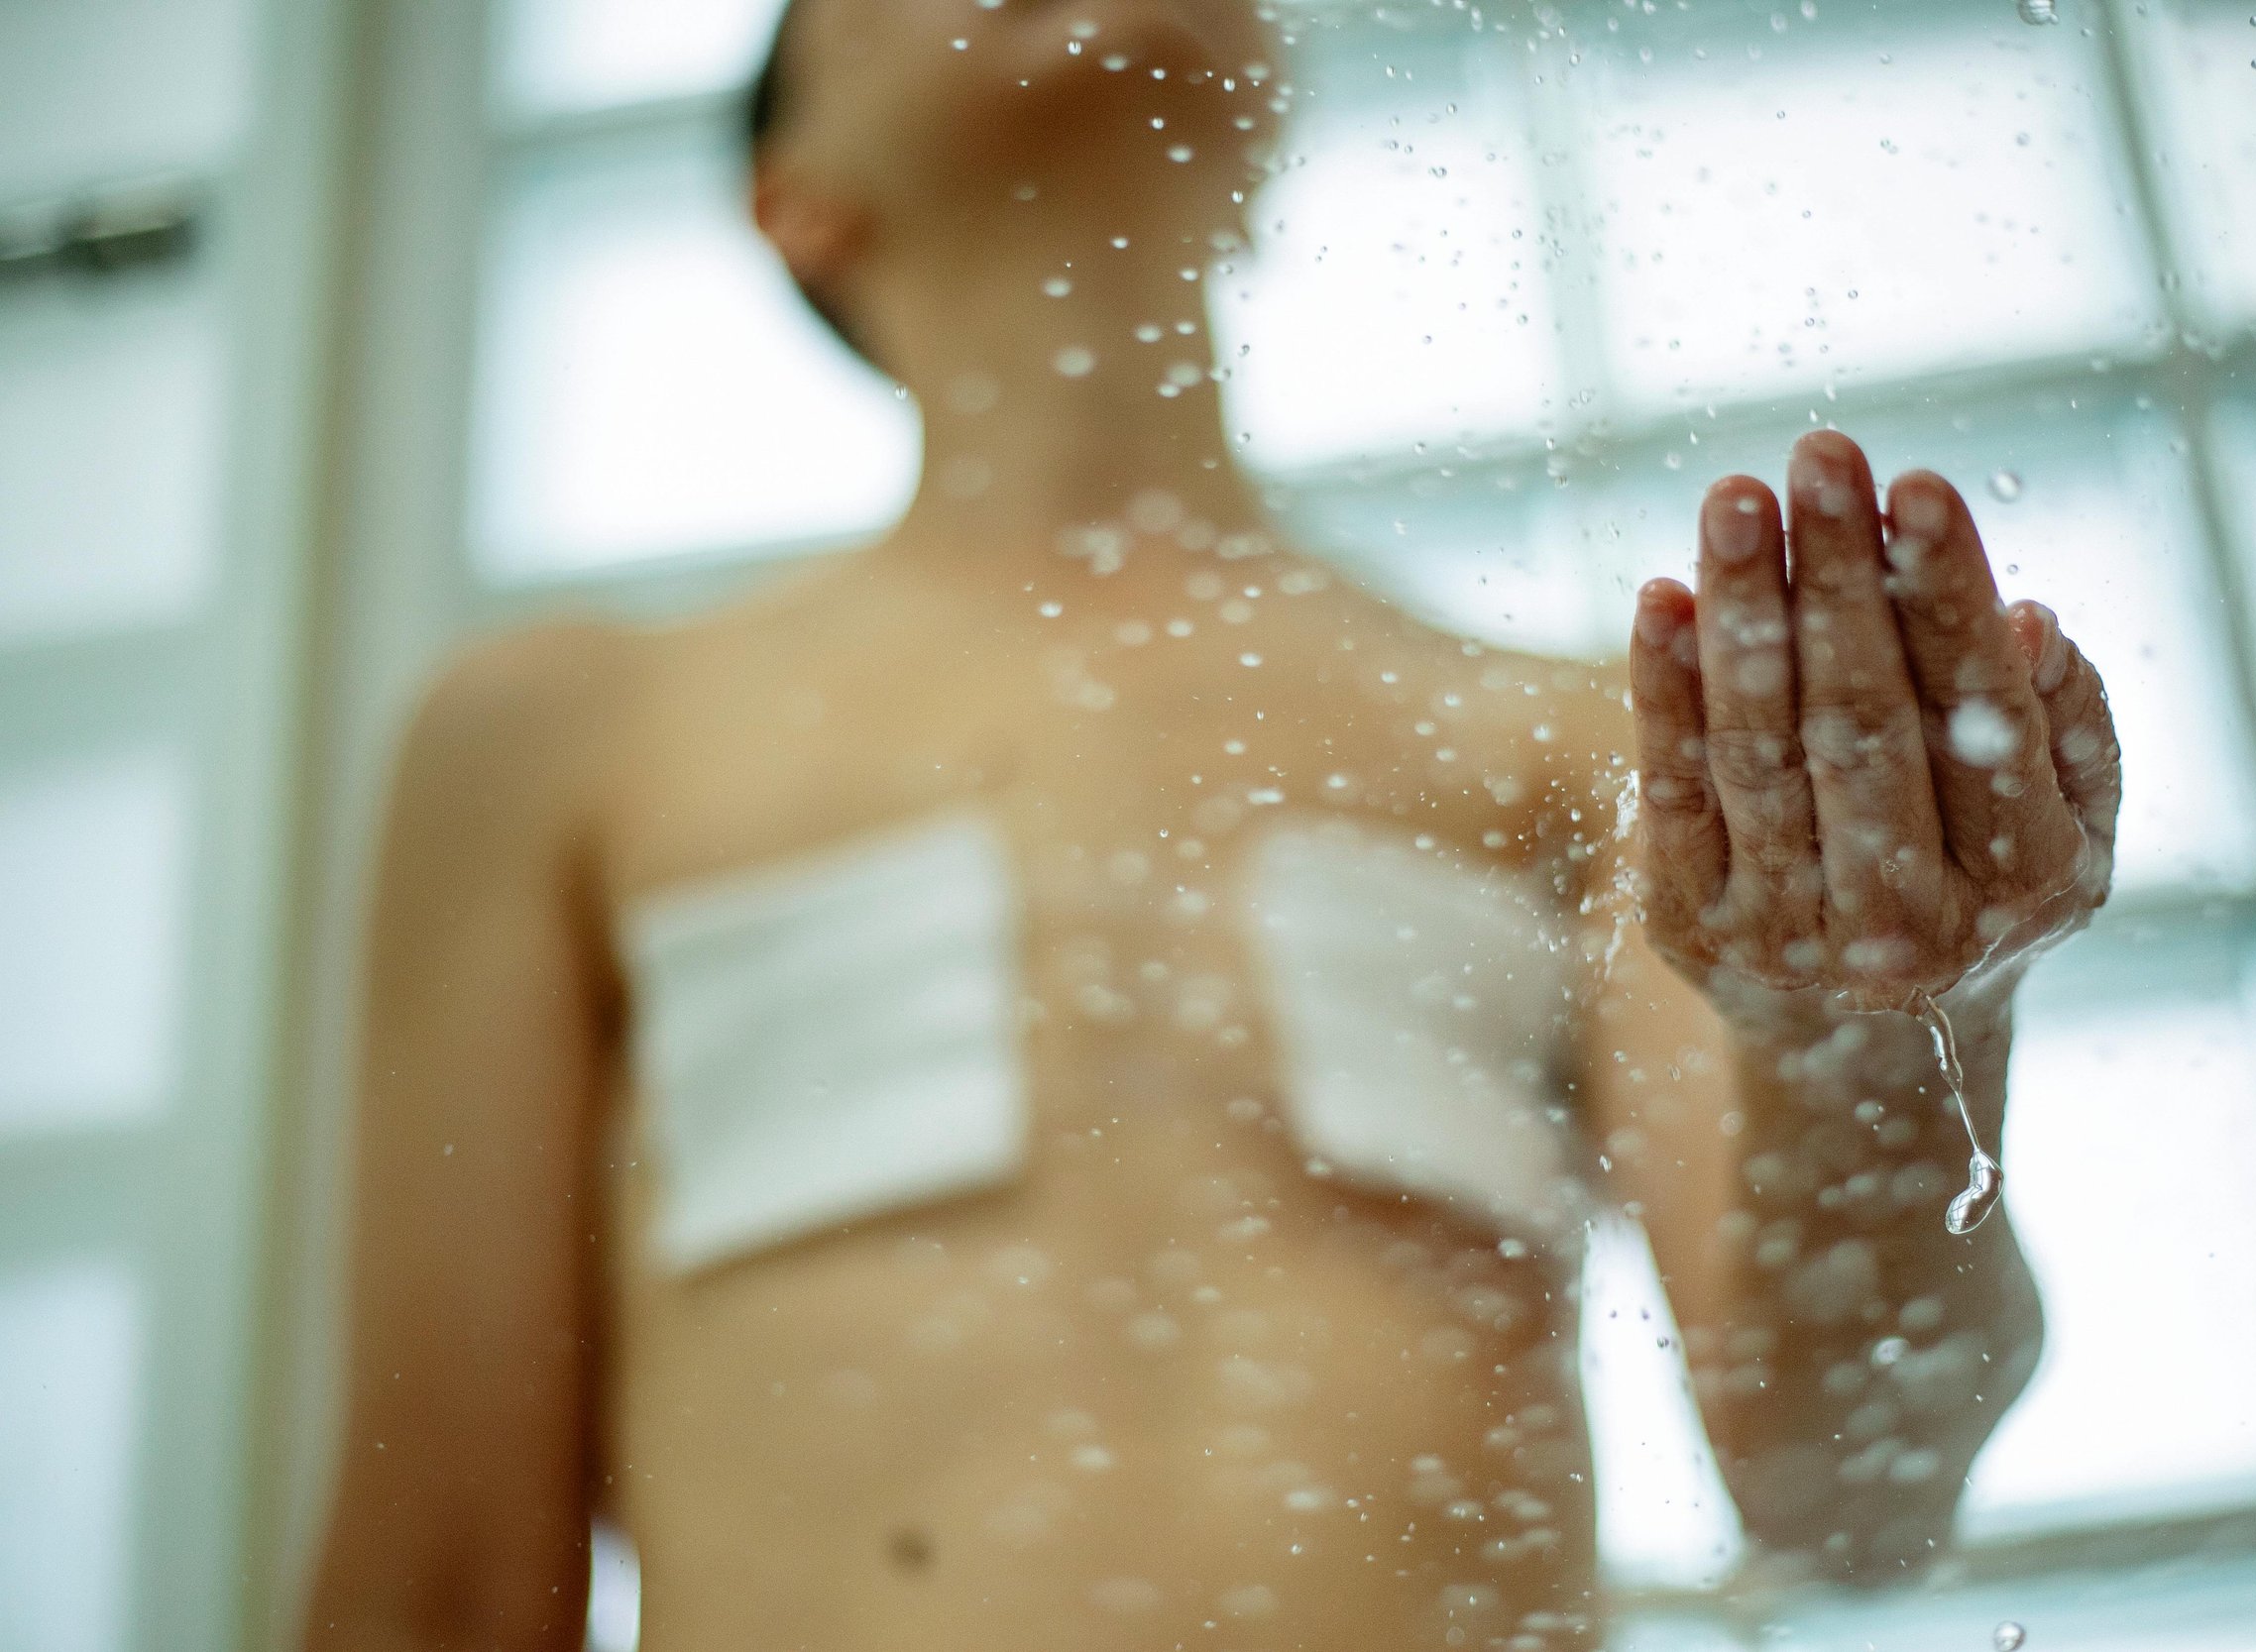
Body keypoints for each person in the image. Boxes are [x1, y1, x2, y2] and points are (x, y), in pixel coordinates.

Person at [303, 1, 2121, 1647]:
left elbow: (1854, 1495)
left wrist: (1891, 1047)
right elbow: (442, 1580)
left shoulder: (1565, 745)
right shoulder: (571, 743)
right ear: (799, 200)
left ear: (1263, 104)